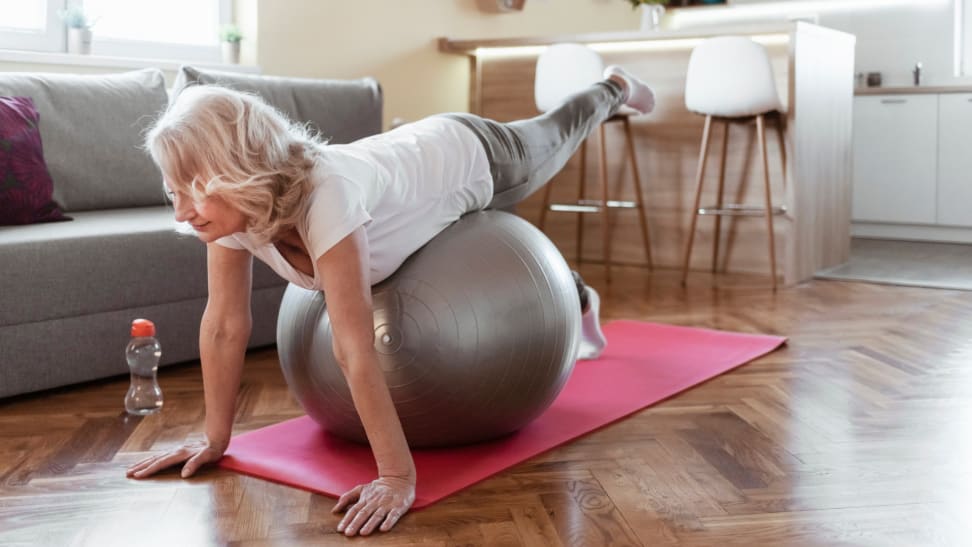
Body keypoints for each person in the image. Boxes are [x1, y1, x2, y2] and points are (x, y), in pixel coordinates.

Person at [125, 64, 655, 537]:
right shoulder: (228, 220)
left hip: (474, 157)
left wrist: (397, 477)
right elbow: (223, 325)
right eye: (174, 192)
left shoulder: (324, 196)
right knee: (478, 255)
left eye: (194, 189)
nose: (182, 213)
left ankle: (612, 86)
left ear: (238, 172)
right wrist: (215, 440)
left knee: (556, 135)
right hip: (416, 195)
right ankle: (576, 292)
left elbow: (355, 348)